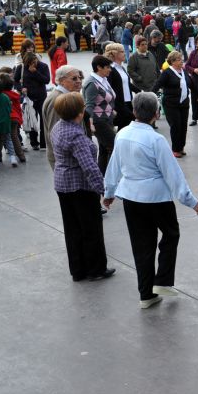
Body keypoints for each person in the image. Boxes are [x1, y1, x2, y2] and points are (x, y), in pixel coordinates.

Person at [104, 92, 198, 309]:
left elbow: (114, 165)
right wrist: (192, 202)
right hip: (156, 198)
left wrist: (109, 192)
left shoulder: (122, 134)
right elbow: (173, 175)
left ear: (134, 111)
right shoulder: (156, 140)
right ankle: (162, 280)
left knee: (142, 245)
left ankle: (146, 294)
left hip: (131, 197)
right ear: (156, 114)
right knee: (171, 234)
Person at [50, 92, 115, 282]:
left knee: (72, 229)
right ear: (79, 112)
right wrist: (104, 190)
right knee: (91, 229)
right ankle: (95, 269)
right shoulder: (76, 135)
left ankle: (78, 270)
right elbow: (89, 167)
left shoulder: (58, 127)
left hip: (62, 183)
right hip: (80, 187)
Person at [43, 65, 84, 169]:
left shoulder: (66, 96)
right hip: (64, 160)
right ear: (61, 81)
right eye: (74, 78)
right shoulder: (57, 99)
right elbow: (56, 134)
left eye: (80, 78)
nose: (79, 81)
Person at [152, 51, 191, 157]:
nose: (181, 61)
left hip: (184, 103)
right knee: (176, 126)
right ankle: (175, 149)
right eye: (178, 59)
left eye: (181, 59)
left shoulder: (184, 71)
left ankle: (181, 147)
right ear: (172, 61)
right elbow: (158, 84)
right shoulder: (167, 73)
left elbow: (190, 84)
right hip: (171, 104)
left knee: (183, 126)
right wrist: (150, 95)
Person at [82, 55, 117, 174]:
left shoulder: (103, 79)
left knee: (104, 149)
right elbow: (89, 105)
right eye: (107, 67)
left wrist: (111, 110)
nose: (110, 70)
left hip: (107, 120)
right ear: (99, 67)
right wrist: (90, 122)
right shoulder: (92, 83)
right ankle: (110, 175)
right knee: (114, 146)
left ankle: (102, 176)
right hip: (99, 122)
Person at [13, 48, 50, 150]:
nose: (32, 65)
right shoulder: (21, 67)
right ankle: (34, 142)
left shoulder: (43, 66)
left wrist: (36, 72)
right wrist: (21, 88)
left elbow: (46, 80)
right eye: (29, 63)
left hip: (41, 97)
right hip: (29, 98)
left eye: (34, 62)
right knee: (32, 119)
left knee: (43, 120)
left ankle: (44, 143)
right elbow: (15, 81)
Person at [105, 44, 139, 132]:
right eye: (122, 52)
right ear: (114, 54)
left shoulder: (122, 67)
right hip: (119, 104)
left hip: (128, 102)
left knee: (127, 126)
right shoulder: (111, 69)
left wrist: (139, 91)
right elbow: (108, 88)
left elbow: (126, 83)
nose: (125, 53)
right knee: (127, 124)